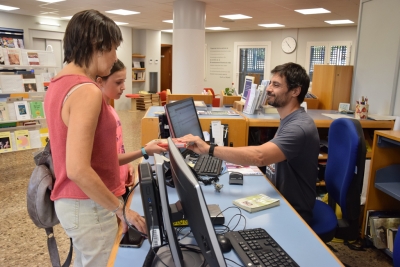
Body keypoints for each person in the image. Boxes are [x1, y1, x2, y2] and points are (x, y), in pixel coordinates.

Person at [44, 10, 146, 267]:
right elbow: (78, 168)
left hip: (73, 202)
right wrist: (121, 210)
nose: (114, 57)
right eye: (112, 49)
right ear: (96, 46)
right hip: (88, 204)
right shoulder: (87, 91)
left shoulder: (57, 83)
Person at [179, 62, 320, 224]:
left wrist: (208, 149)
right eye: (270, 83)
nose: (268, 89)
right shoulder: (289, 119)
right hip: (277, 196)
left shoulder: (299, 127)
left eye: (276, 85)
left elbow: (260, 156)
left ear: (295, 91)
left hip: (294, 213)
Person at [96, 59, 166, 200]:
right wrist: (144, 151)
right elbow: (108, 159)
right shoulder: (98, 115)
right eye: (118, 82)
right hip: (107, 189)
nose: (123, 87)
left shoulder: (110, 109)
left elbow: (117, 147)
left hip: (119, 181)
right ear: (100, 82)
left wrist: (126, 165)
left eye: (124, 82)